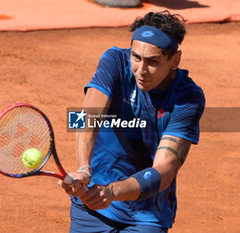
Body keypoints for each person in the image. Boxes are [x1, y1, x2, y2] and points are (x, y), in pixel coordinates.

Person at [60, 11, 205, 233]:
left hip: (146, 215)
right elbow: (88, 115)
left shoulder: (187, 97)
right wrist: (84, 169)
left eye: (153, 62)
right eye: (136, 57)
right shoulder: (115, 61)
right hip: (91, 204)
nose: (141, 70)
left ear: (175, 60)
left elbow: (165, 169)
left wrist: (111, 192)